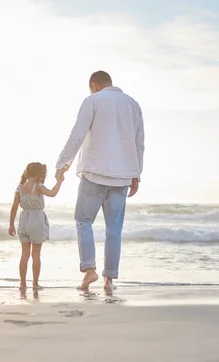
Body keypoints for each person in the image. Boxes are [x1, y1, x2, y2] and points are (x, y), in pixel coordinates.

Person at [55, 70, 145, 292]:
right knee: (114, 230)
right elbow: (139, 143)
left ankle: (89, 270)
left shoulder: (93, 100)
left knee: (83, 220)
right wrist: (136, 175)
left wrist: (62, 164)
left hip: (94, 172)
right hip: (123, 176)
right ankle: (109, 280)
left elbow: (77, 134)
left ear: (94, 85)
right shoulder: (133, 105)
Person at [9, 162, 65, 291]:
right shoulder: (38, 186)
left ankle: (22, 283)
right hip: (37, 221)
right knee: (36, 255)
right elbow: (52, 193)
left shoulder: (20, 188)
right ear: (39, 174)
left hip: (23, 221)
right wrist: (60, 182)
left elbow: (14, 208)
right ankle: (35, 283)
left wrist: (11, 225)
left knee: (24, 255)